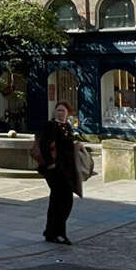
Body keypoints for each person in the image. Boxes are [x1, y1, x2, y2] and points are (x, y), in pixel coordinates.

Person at [37, 101, 78, 245]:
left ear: (68, 113)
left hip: (66, 168)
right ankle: (58, 233)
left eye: (63, 110)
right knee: (62, 200)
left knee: (59, 201)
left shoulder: (66, 126)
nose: (60, 112)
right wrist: (50, 163)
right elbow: (44, 145)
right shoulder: (51, 125)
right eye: (58, 110)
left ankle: (51, 232)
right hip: (55, 169)